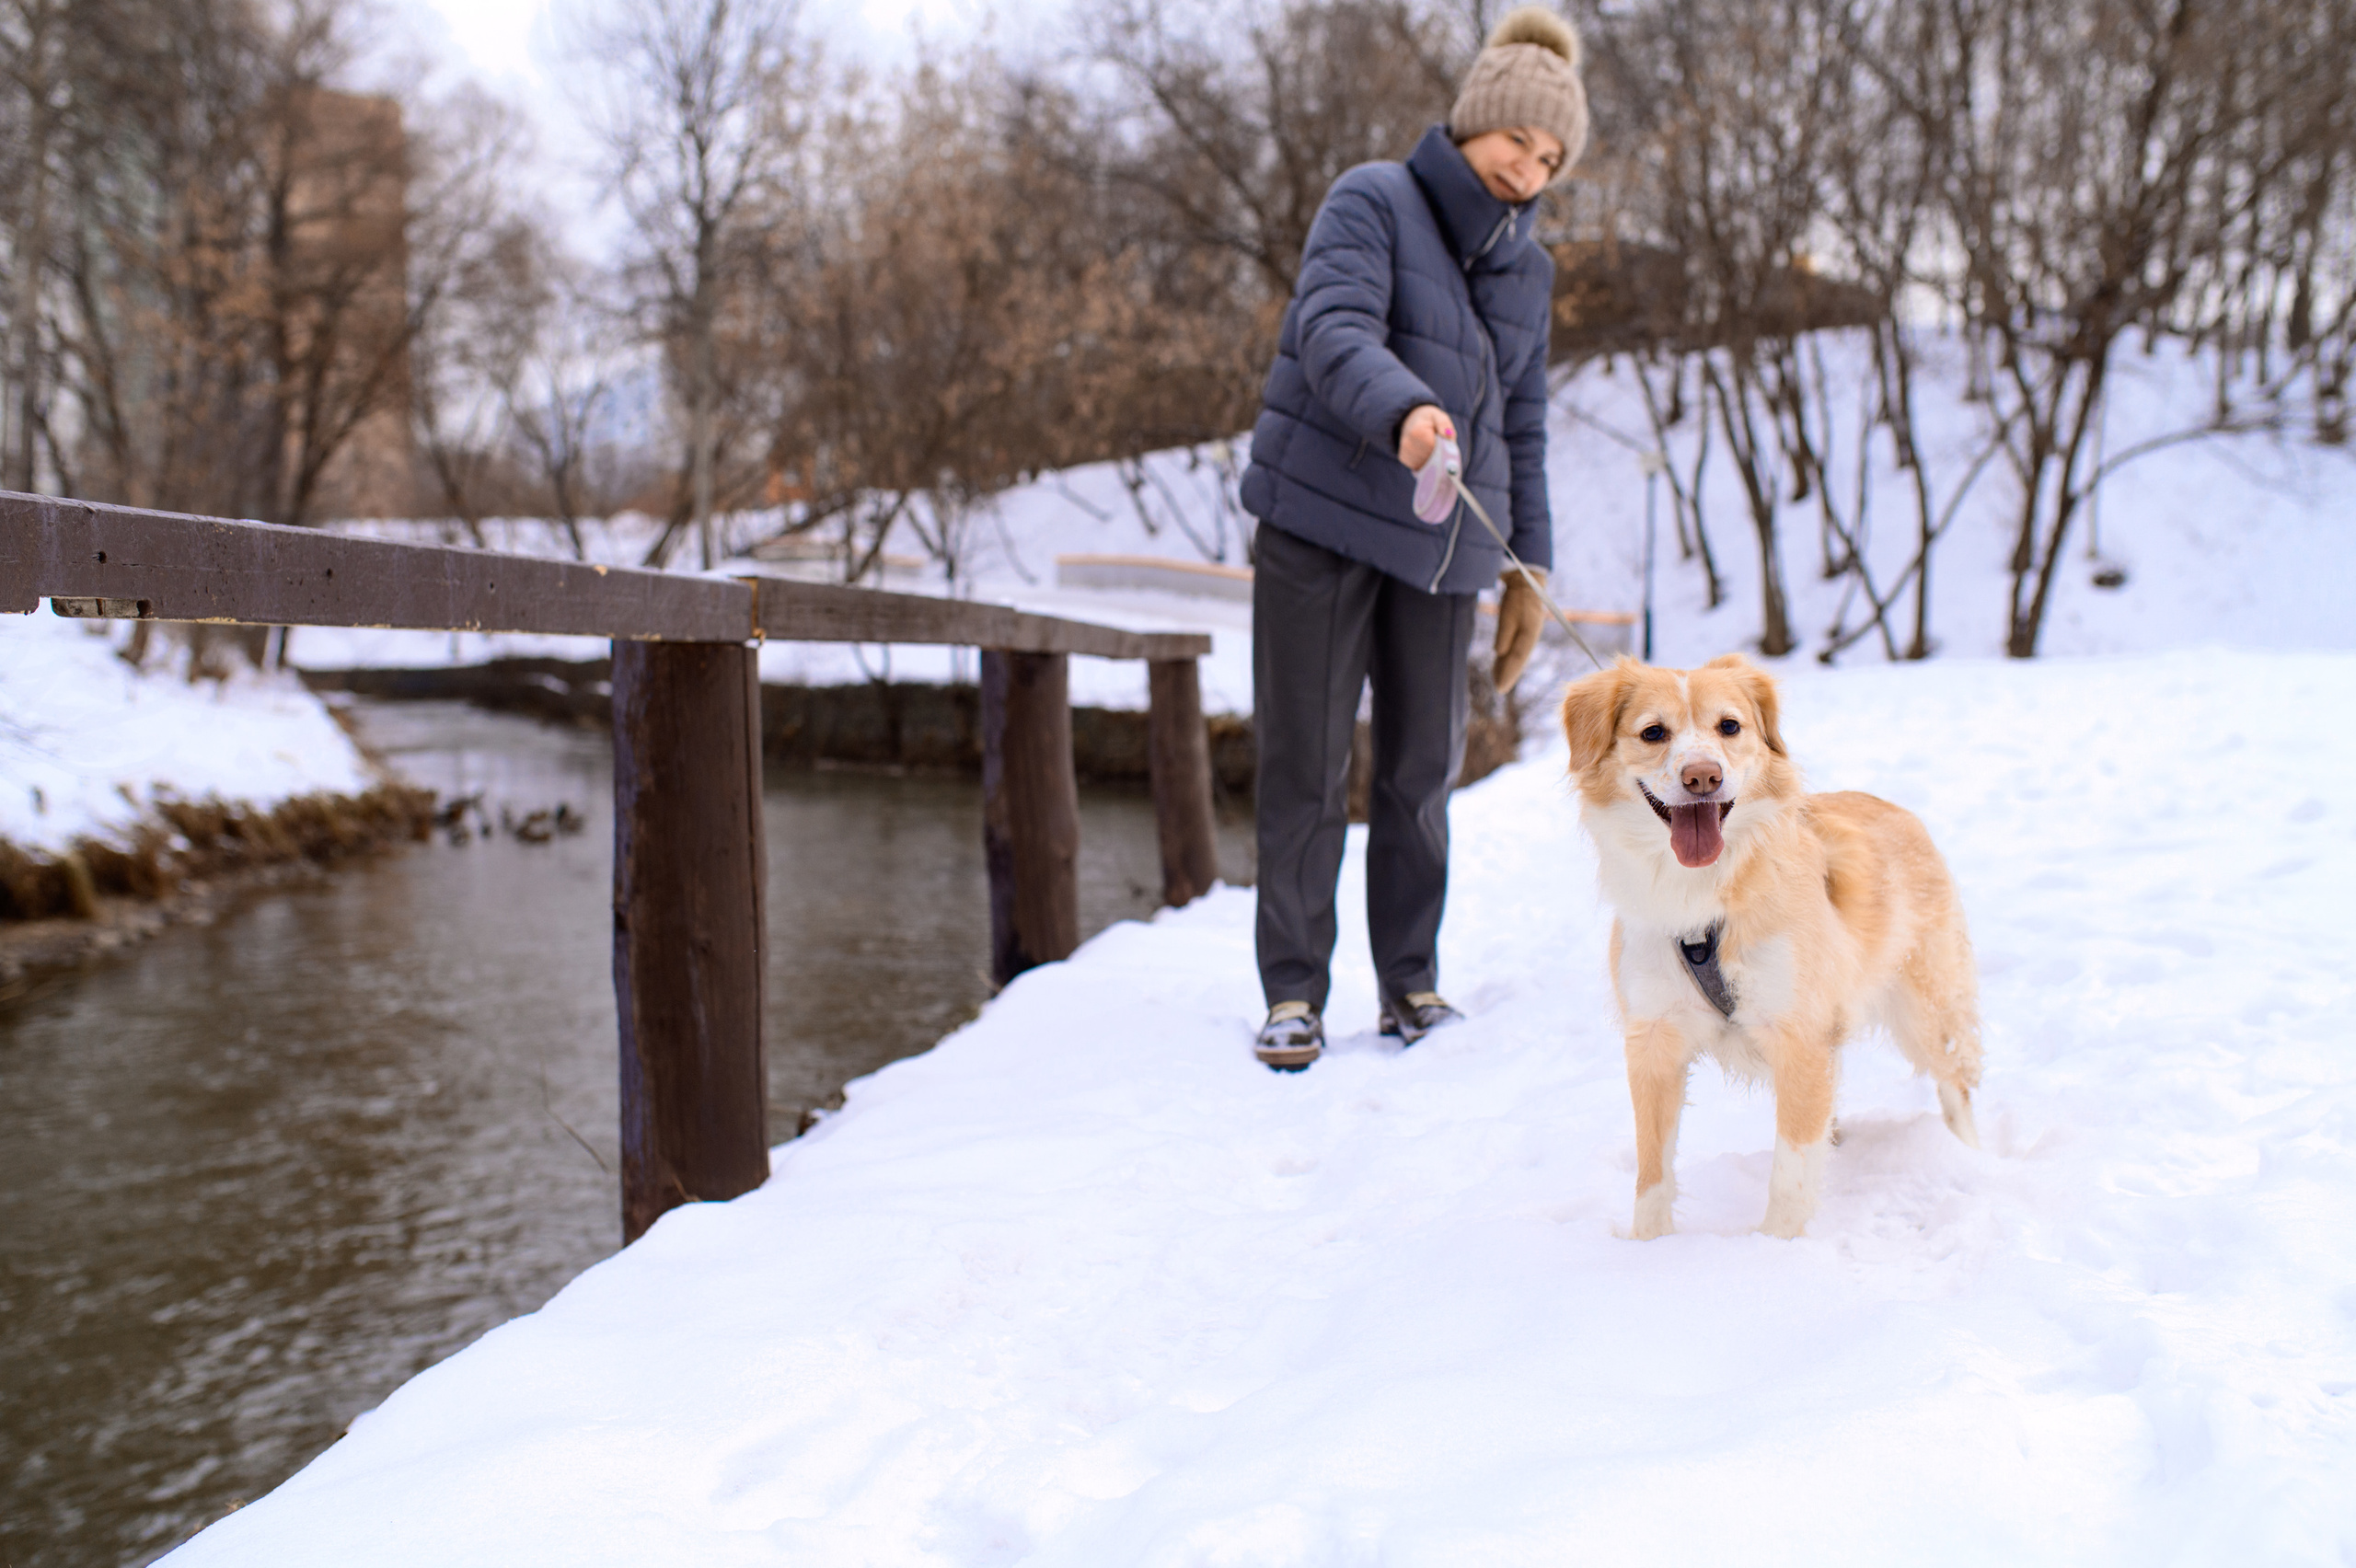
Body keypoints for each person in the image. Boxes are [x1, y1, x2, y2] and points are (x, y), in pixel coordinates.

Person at [1237, 6, 1588, 1070]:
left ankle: (1409, 982)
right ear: (1474, 120)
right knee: (1304, 761)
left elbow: (1520, 420)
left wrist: (1529, 561)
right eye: (1514, 142)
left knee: (1420, 772)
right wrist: (1404, 414)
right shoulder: (1373, 200)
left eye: (1549, 158)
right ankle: (1293, 992)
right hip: (1324, 520)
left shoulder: (1528, 273)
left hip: (1442, 553)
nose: (1527, 170)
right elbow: (1330, 328)